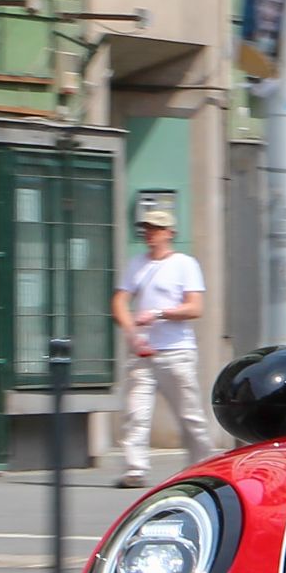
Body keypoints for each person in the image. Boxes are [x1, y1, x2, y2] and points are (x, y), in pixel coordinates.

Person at [111, 209, 216, 489]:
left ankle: (201, 465)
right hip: (143, 352)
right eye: (147, 228)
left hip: (176, 351)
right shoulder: (137, 264)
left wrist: (158, 313)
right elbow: (119, 301)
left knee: (190, 415)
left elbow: (195, 308)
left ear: (170, 233)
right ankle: (135, 470)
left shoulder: (185, 264)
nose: (150, 233)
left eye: (156, 229)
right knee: (136, 413)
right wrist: (132, 333)